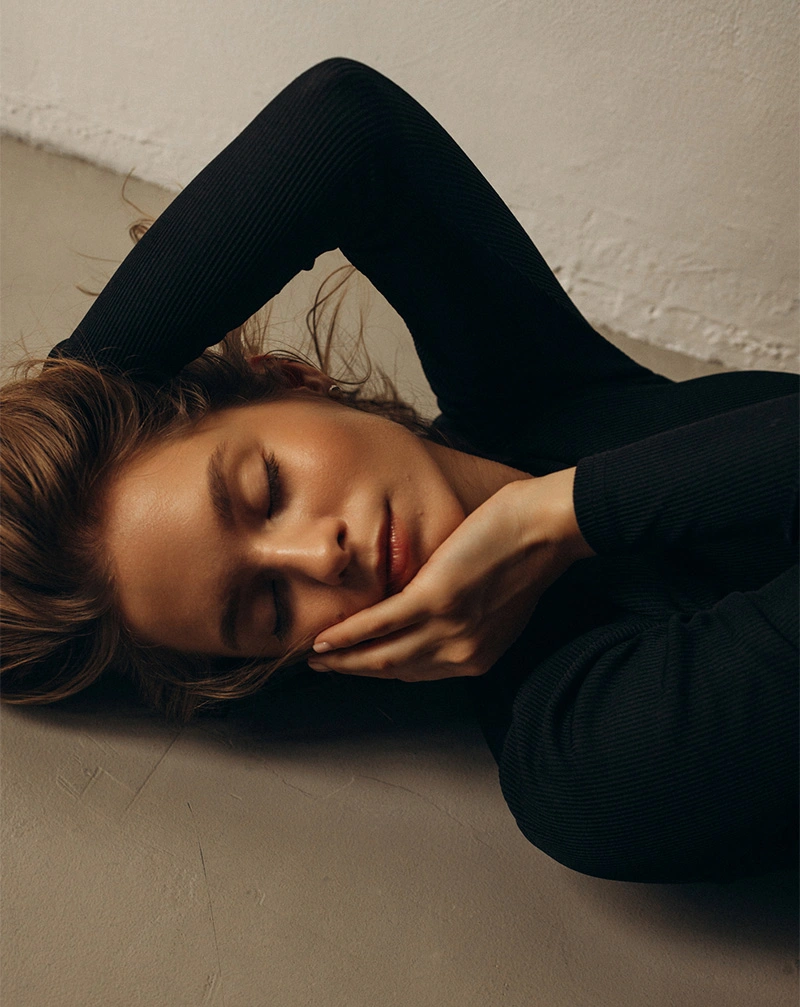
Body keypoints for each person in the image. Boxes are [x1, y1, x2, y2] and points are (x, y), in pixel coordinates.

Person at [1, 58, 796, 884]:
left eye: (267, 489)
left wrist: (556, 516)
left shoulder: (540, 393)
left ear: (286, 377)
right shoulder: (582, 752)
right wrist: (564, 518)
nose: (319, 556)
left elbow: (345, 122)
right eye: (268, 606)